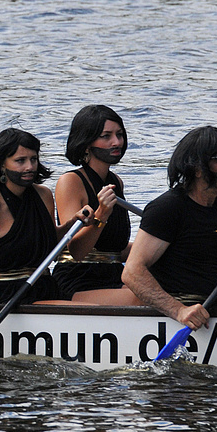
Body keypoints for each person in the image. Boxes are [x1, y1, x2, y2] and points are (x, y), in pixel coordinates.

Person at [0, 128, 91, 349]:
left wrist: (74, 222)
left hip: (44, 286)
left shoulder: (44, 195)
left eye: (33, 159)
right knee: (86, 313)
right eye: (20, 160)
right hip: (7, 295)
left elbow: (45, 241)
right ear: (2, 164)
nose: (30, 167)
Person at [123, 126, 217, 329]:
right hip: (181, 315)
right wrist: (178, 310)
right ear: (198, 168)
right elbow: (132, 272)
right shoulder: (167, 208)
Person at [53, 105, 141, 305]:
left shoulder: (116, 181)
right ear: (86, 143)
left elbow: (113, 248)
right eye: (106, 136)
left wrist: (160, 248)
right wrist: (101, 214)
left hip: (113, 275)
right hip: (79, 280)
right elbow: (75, 249)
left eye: (119, 134)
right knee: (140, 297)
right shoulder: (70, 181)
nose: (116, 142)